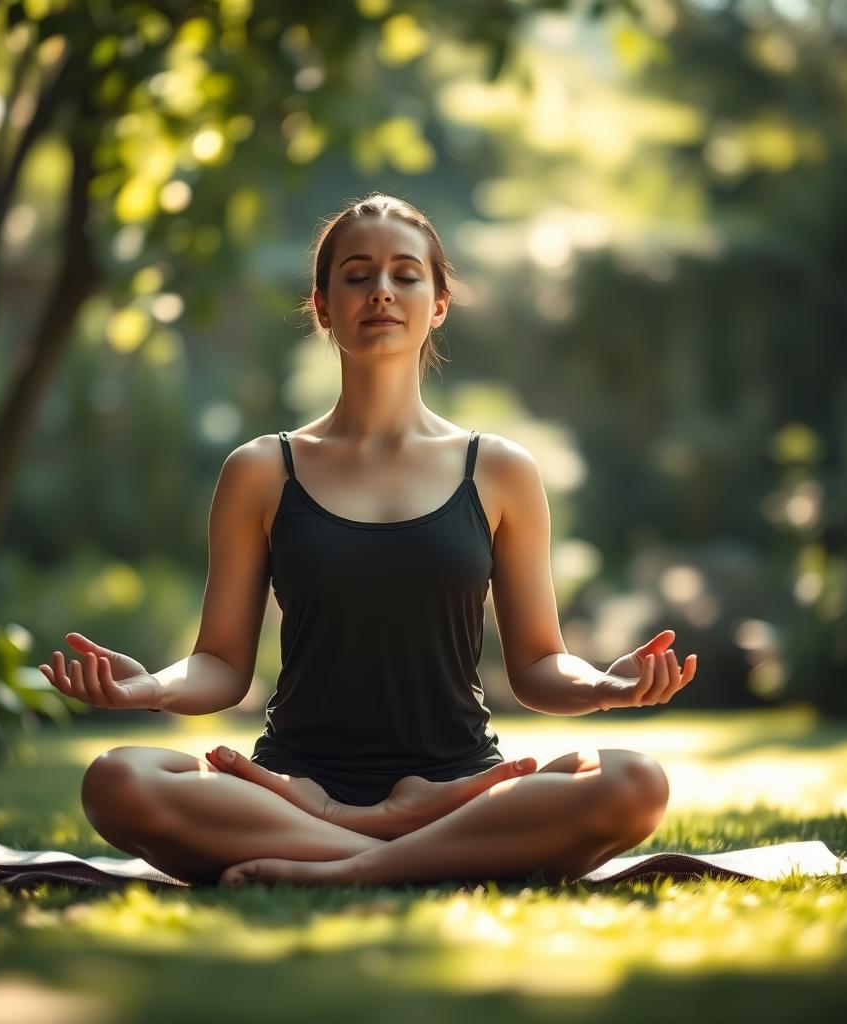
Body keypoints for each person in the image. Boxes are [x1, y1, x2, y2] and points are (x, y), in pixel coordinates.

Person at [40, 193, 698, 890]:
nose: (381, 291)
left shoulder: (501, 469)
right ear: (323, 305)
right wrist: (150, 686)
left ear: (438, 302)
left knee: (634, 781)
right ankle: (400, 844)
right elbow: (220, 665)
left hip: (460, 784)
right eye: (357, 275)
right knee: (119, 779)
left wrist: (604, 685)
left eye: (405, 275)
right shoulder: (261, 470)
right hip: (293, 784)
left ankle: (339, 864)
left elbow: (538, 665)